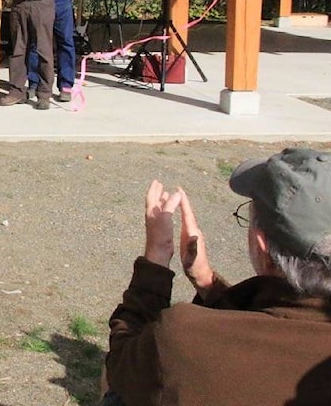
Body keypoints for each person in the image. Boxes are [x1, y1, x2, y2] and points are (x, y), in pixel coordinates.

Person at [104, 148, 331, 406]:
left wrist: (156, 255)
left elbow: (122, 364)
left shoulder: (183, 338)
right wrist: (206, 282)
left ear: (262, 246)